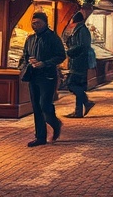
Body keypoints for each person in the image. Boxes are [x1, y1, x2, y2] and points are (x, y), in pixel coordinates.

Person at [18, 12, 66, 146]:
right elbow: (25, 55)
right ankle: (40, 137)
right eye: (33, 23)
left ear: (45, 23)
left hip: (47, 75)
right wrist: (26, 64)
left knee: (44, 104)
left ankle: (55, 123)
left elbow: (61, 55)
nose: (35, 25)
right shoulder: (31, 39)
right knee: (36, 107)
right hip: (33, 75)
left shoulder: (52, 38)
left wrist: (45, 63)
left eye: (38, 23)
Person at [64, 11, 96, 118]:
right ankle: (78, 112)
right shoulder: (79, 30)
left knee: (71, 84)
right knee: (78, 85)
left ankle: (87, 103)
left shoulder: (82, 30)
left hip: (79, 62)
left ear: (74, 20)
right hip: (79, 60)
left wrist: (70, 51)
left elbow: (83, 45)